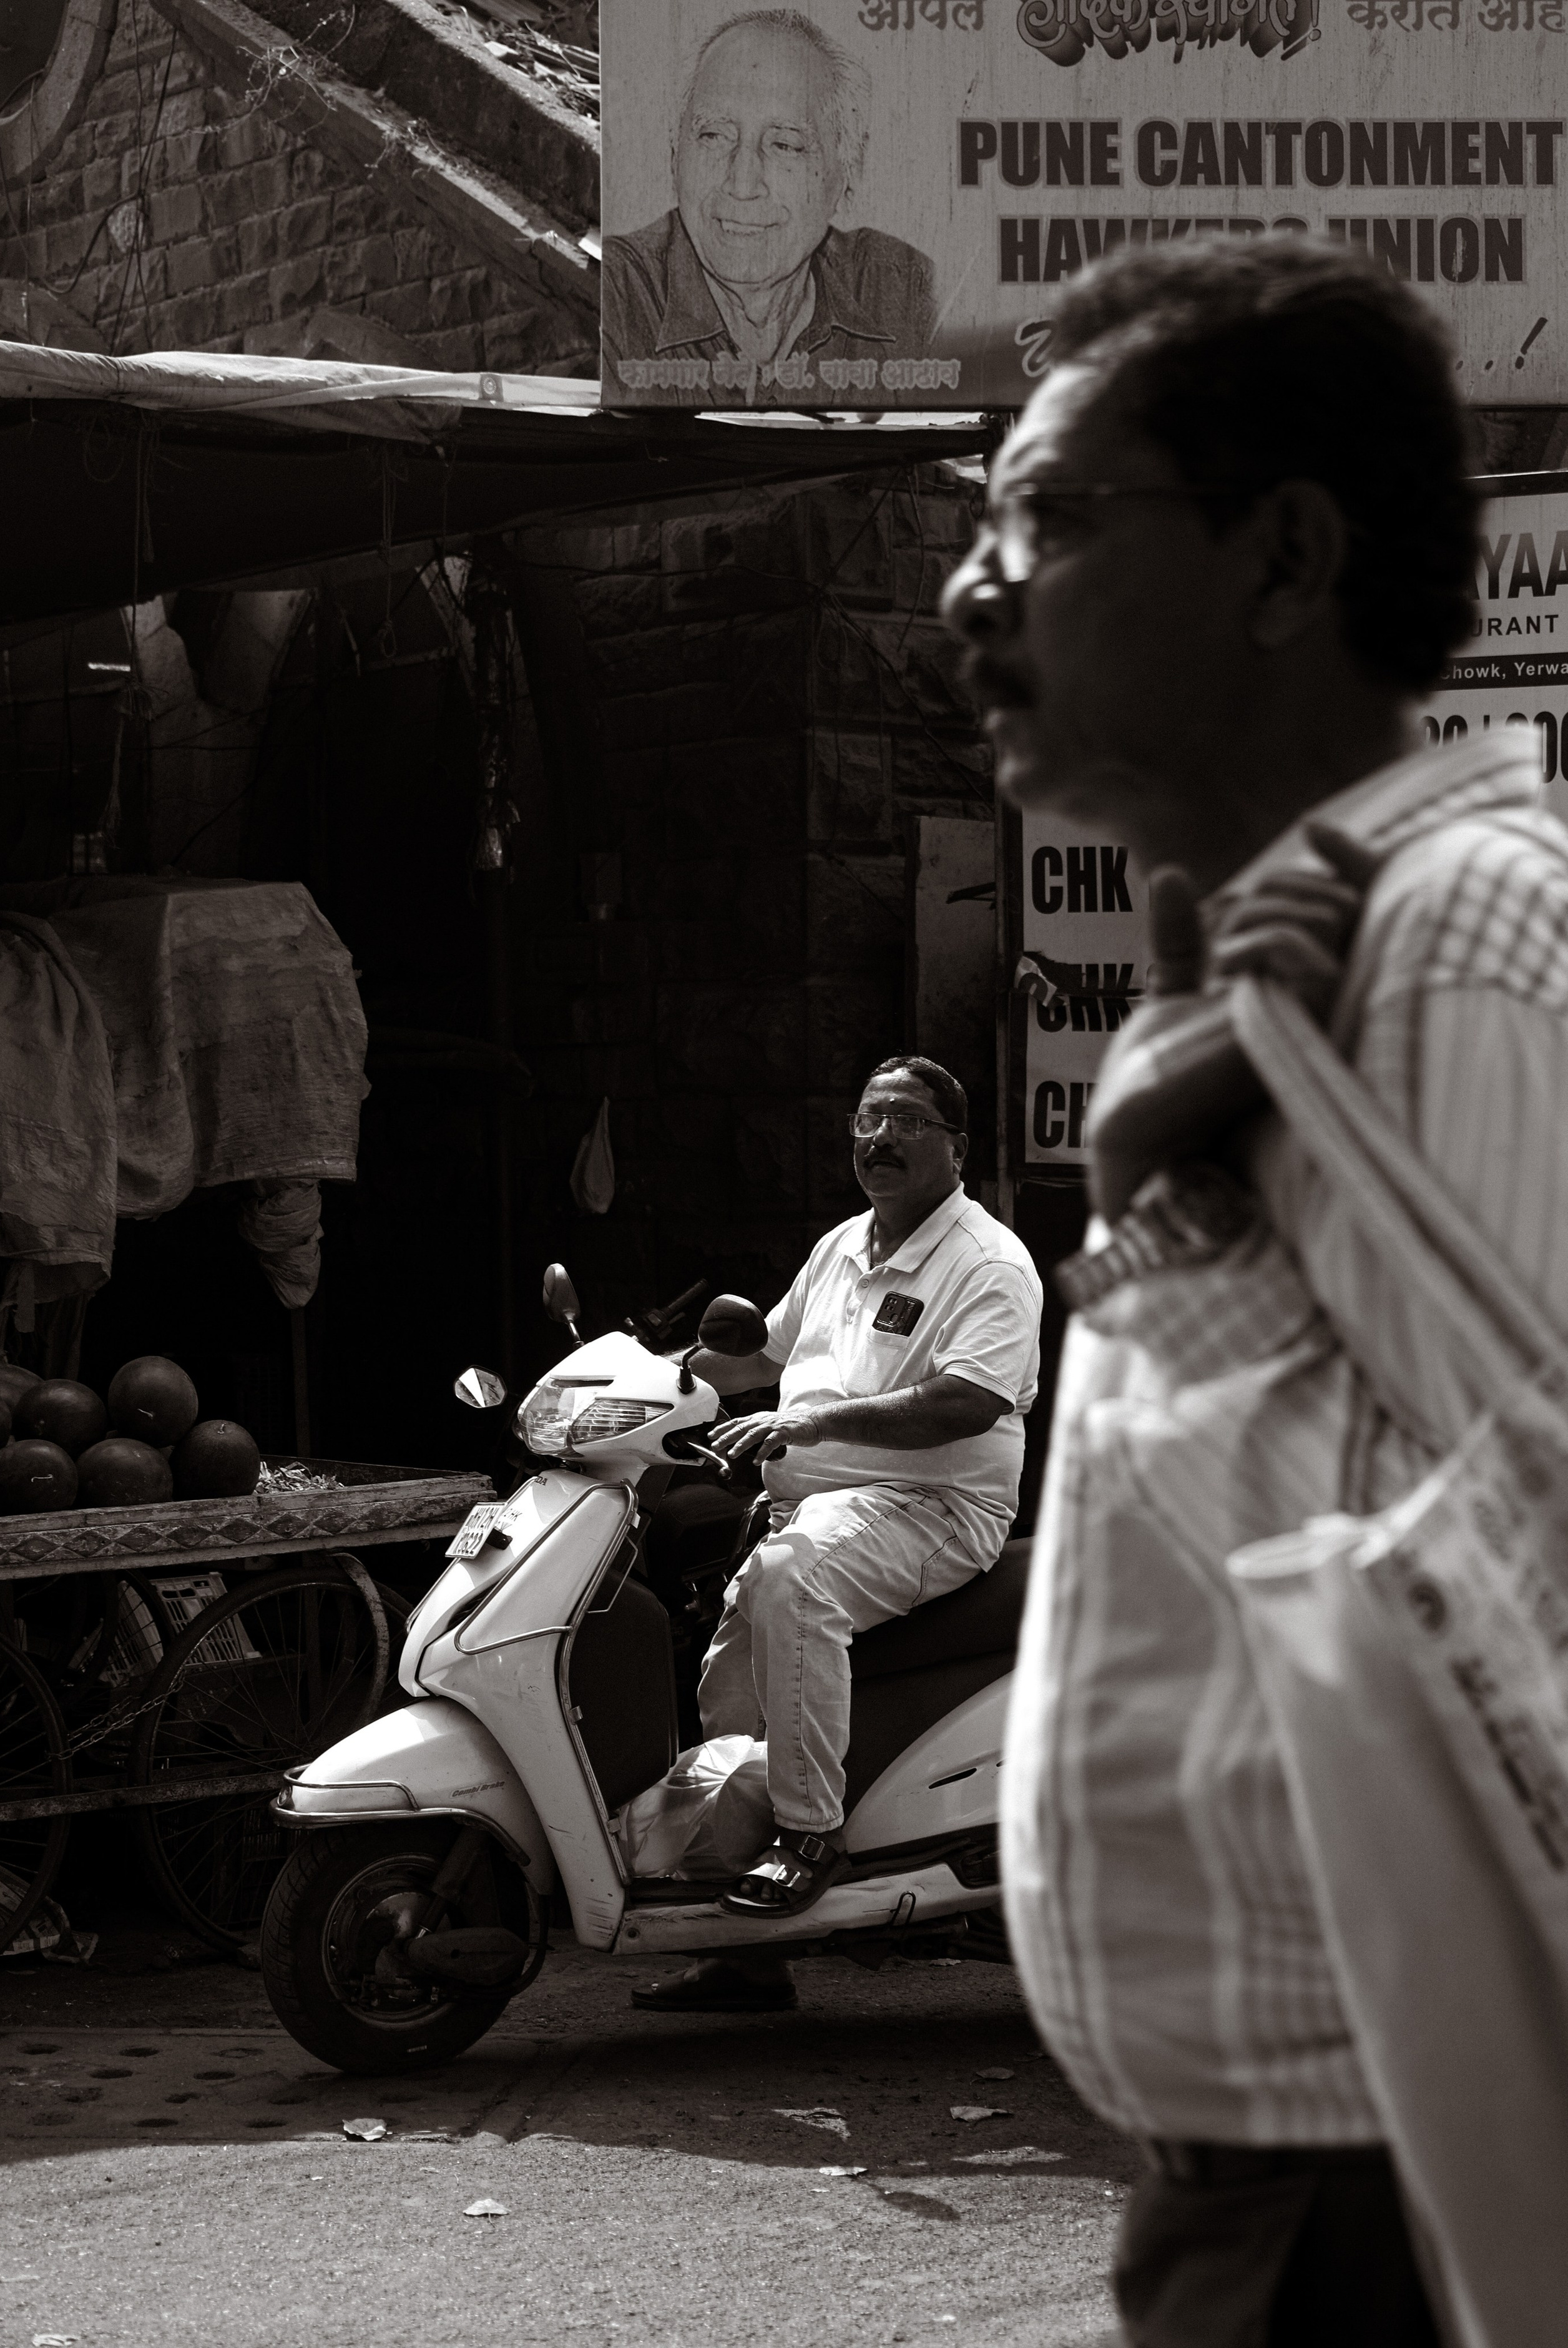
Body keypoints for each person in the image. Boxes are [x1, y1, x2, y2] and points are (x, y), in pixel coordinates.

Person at [940, 237, 1568, 2346]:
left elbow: (1525, 1564)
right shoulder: (1277, 974)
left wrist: (1165, 1227)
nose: (974, 593)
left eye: (1051, 517)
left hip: (1422, 2189)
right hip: (1292, 2187)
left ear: (1286, 558)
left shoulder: (1451, 936)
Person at [634, 1054, 1042, 2013]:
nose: (880, 1138)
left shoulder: (988, 1262)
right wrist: (639, 1379)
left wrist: (809, 1425)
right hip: (815, 1514)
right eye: (867, 1119)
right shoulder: (841, 1247)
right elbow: (757, 1360)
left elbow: (967, 1400)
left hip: (932, 1508)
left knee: (794, 1581)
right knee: (730, 1687)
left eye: (906, 1120)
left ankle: (810, 1835)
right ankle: (749, 1956)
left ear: (956, 1146)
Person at [602, 8, 937, 409]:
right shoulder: (614, 295)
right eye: (714, 135)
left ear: (847, 171)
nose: (742, 184)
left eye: (785, 145)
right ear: (676, 154)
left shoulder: (904, 291)